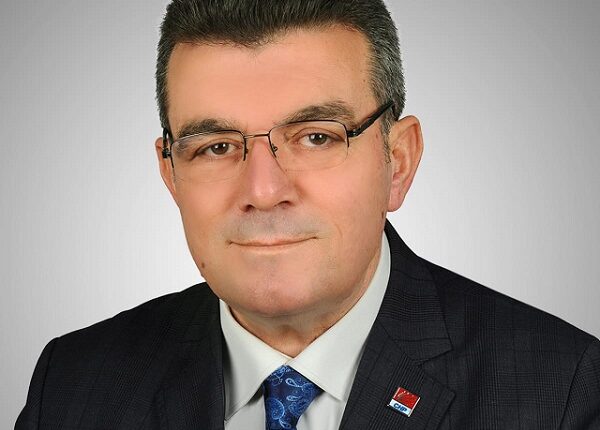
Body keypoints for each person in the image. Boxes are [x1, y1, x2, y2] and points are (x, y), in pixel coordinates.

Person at [16, 0, 600, 429]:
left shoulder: (562, 390)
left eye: (317, 137)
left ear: (397, 161)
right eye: (216, 147)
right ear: (170, 174)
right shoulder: (72, 385)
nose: (264, 191)